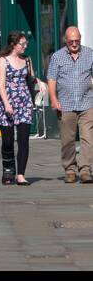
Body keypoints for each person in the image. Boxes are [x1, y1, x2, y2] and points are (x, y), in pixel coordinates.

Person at [48, 26, 93, 184]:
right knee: (67, 140)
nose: (74, 44)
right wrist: (53, 99)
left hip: (87, 102)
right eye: (71, 41)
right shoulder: (57, 57)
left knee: (88, 138)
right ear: (65, 40)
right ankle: (70, 169)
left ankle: (85, 169)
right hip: (65, 104)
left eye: (77, 41)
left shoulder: (89, 54)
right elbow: (52, 79)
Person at [0, 31, 36, 186]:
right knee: (8, 141)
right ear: (13, 44)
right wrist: (7, 104)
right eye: (22, 44)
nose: (25, 46)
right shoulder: (3, 61)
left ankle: (21, 174)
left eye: (26, 44)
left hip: (24, 102)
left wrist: (41, 83)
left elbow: (32, 79)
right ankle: (8, 170)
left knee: (23, 140)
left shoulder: (27, 61)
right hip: (7, 102)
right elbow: (1, 86)